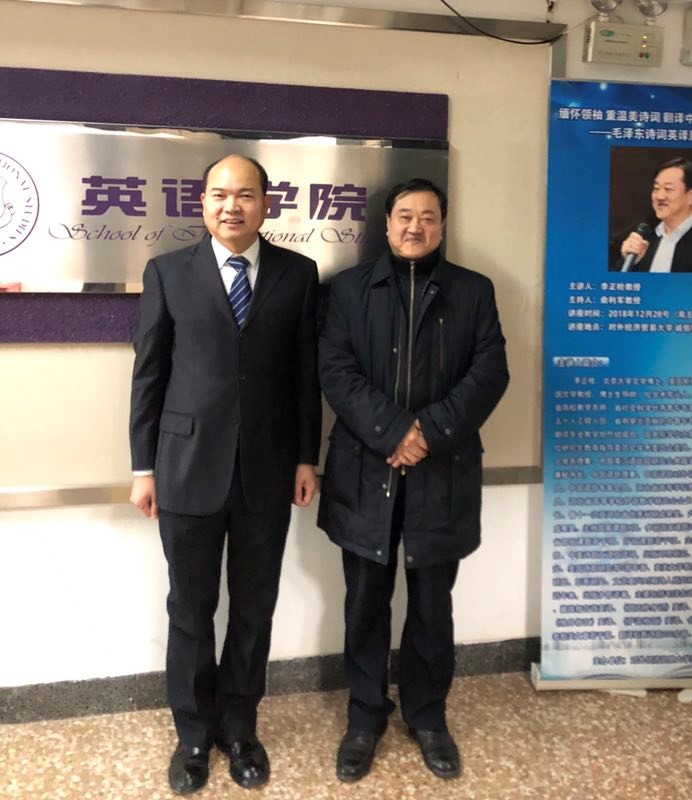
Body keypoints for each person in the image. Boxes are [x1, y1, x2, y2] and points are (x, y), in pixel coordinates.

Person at [129, 154, 321, 795]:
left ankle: (240, 727)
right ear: (202, 203)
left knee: (254, 607)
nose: (230, 206)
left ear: (266, 202)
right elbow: (149, 373)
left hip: (267, 469)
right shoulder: (168, 272)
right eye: (218, 194)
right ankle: (191, 733)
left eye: (244, 194)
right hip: (184, 468)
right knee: (190, 609)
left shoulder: (298, 274)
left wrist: (306, 457)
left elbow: (305, 375)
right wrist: (142, 467)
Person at [317, 178, 509, 782]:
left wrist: (427, 432)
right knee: (364, 603)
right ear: (387, 223)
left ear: (443, 225)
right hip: (364, 471)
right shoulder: (349, 289)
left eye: (428, 217)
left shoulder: (473, 291)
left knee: (431, 604)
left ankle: (428, 716)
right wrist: (394, 431)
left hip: (441, 471)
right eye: (405, 215)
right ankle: (364, 717)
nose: (415, 227)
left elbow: (490, 372)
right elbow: (335, 368)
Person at [615, 156, 692, 273]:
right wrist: (628, 262)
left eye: (668, 189)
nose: (659, 196)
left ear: (691, 196)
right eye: (656, 188)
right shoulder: (643, 238)